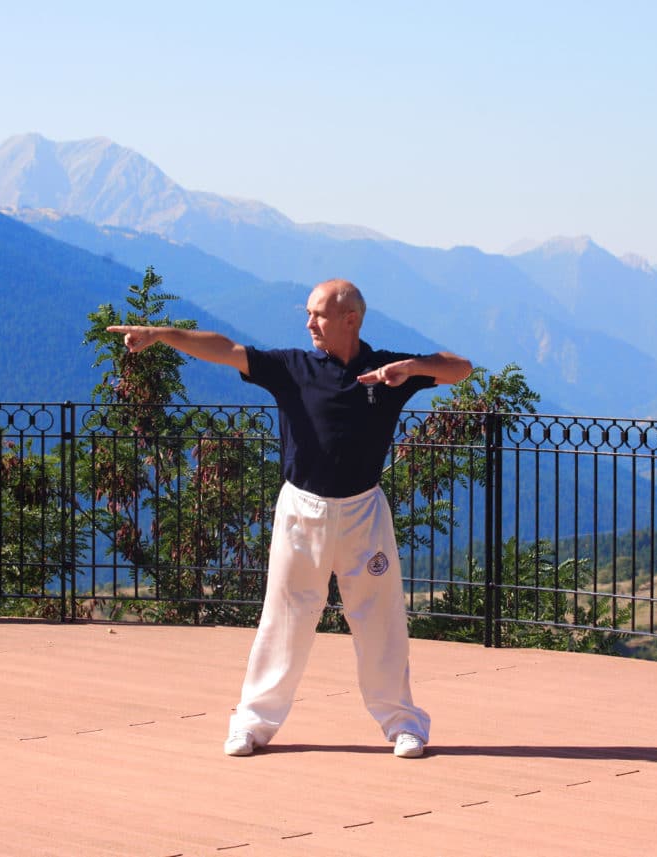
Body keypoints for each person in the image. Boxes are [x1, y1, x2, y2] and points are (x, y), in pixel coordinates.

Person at [108, 278, 472, 759]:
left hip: (364, 513)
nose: (309, 323)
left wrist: (412, 368)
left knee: (380, 621)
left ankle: (404, 724)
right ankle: (251, 724)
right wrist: (160, 334)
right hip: (301, 512)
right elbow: (227, 350)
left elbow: (461, 368)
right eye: (308, 313)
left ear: (350, 319)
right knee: (283, 619)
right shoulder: (292, 367)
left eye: (318, 314)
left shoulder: (388, 371)